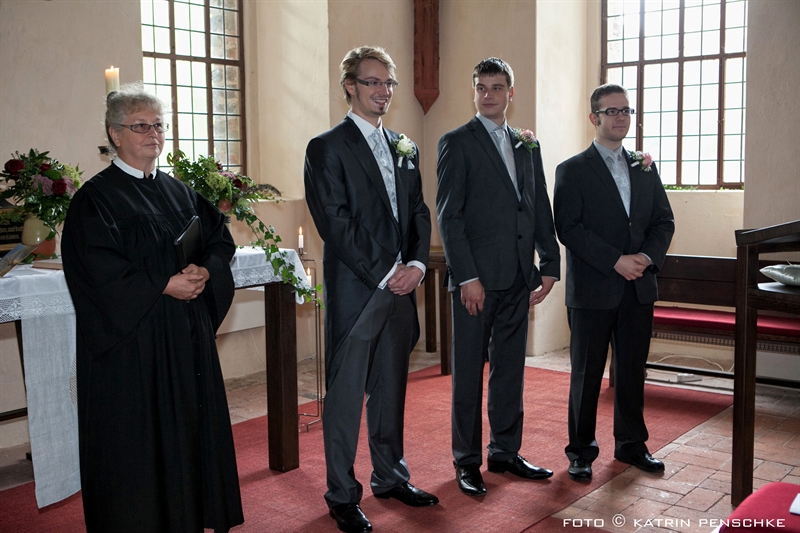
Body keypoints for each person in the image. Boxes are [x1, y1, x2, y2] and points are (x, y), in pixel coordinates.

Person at [61, 84, 243, 532]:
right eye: (140, 125)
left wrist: (205, 270)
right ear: (114, 134)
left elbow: (220, 239)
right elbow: (94, 270)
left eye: (159, 125)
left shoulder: (180, 192)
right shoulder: (96, 198)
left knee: (187, 435)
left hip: (185, 342)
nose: (153, 133)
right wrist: (162, 284)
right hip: (134, 348)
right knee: (137, 444)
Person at [304, 46, 437, 533]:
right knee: (345, 397)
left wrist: (419, 264)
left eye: (388, 83)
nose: (382, 91)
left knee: (390, 391)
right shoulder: (327, 147)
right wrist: (388, 270)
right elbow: (334, 223)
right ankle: (341, 493)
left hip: (403, 289)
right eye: (371, 82)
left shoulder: (405, 145)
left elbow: (419, 212)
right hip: (360, 290)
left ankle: (390, 476)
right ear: (350, 86)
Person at [436, 57, 561, 497]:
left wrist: (549, 265)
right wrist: (466, 276)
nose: (489, 94)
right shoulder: (457, 142)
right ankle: (466, 461)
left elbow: (538, 205)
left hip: (518, 279)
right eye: (482, 87)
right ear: (473, 92)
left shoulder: (527, 145)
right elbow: (449, 216)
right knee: (469, 373)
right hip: (477, 284)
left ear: (511, 93)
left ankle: (505, 452)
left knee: (510, 370)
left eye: (498, 86)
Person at [553, 83, 675, 482]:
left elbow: (663, 220)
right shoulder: (572, 170)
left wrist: (645, 258)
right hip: (593, 289)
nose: (620, 117)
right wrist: (615, 261)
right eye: (611, 111)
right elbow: (568, 227)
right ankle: (581, 451)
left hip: (638, 287)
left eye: (626, 110)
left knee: (631, 370)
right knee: (587, 374)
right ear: (595, 118)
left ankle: (632, 444)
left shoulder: (644, 166)